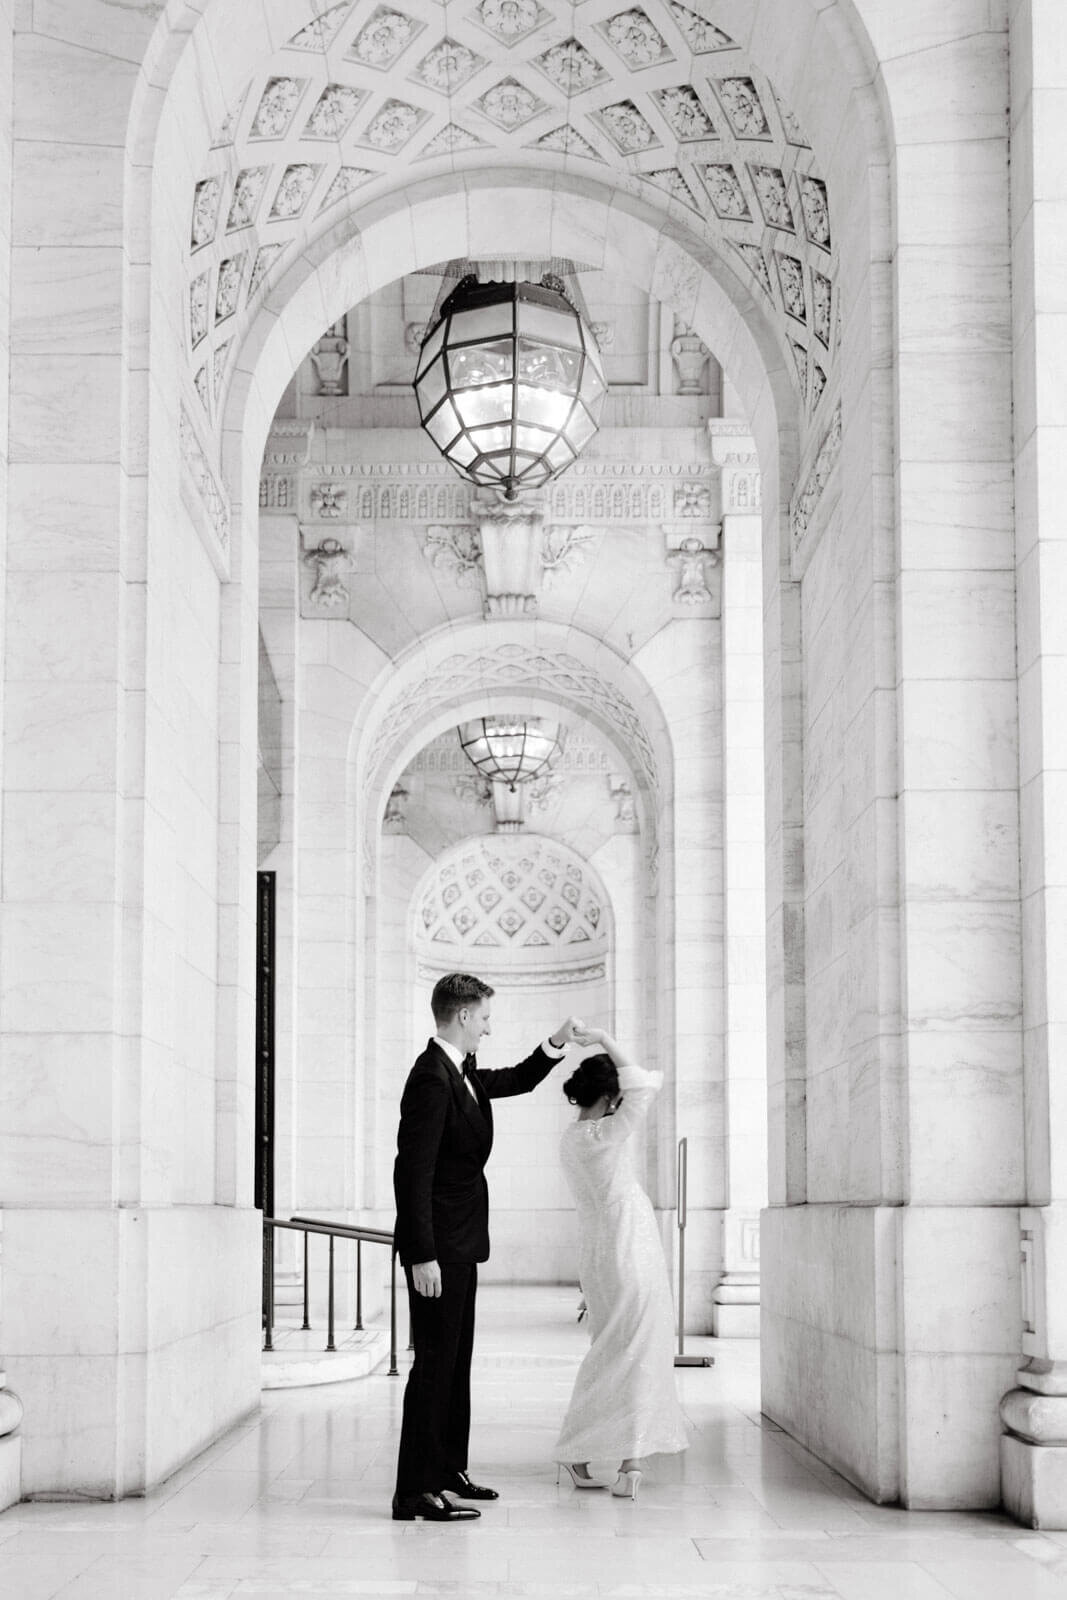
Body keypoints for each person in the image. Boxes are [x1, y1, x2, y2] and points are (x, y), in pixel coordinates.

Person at [392, 971, 581, 1522]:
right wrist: (421, 1254)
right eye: (486, 1018)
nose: (489, 1029)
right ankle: (414, 1492)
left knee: (455, 1363)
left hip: (463, 1242)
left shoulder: (463, 1070)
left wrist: (558, 1041)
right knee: (432, 1365)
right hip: (438, 1250)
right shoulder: (430, 1077)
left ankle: (448, 1472)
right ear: (465, 1016)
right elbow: (412, 1172)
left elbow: (521, 1078)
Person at [554, 1027, 688, 1500]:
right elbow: (644, 1084)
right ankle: (606, 1454)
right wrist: (607, 1038)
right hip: (630, 1246)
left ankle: (623, 1456)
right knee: (638, 1346)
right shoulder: (609, 1132)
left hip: (599, 1251)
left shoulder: (573, 1138)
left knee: (617, 1347)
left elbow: (636, 1085)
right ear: (610, 1097)